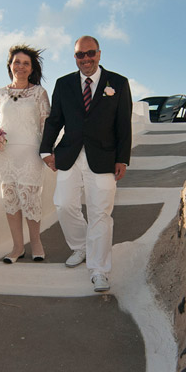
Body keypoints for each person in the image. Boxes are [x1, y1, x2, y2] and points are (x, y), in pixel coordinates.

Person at [40, 35, 132, 292]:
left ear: (99, 54)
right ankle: (81, 247)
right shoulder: (64, 83)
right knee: (63, 204)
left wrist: (122, 158)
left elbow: (123, 124)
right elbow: (54, 120)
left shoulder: (119, 83)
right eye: (80, 55)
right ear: (75, 57)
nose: (86, 59)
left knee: (100, 213)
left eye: (90, 53)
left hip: (104, 156)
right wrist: (46, 150)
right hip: (69, 154)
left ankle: (99, 270)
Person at [0, 44, 51, 263]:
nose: (21, 67)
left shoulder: (39, 93)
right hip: (4, 155)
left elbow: (46, 124)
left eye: (26, 63)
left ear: (32, 68)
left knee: (30, 198)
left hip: (30, 154)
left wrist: (47, 152)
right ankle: (17, 248)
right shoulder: (0, 93)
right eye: (17, 62)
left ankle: (36, 244)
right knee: (11, 200)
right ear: (10, 65)